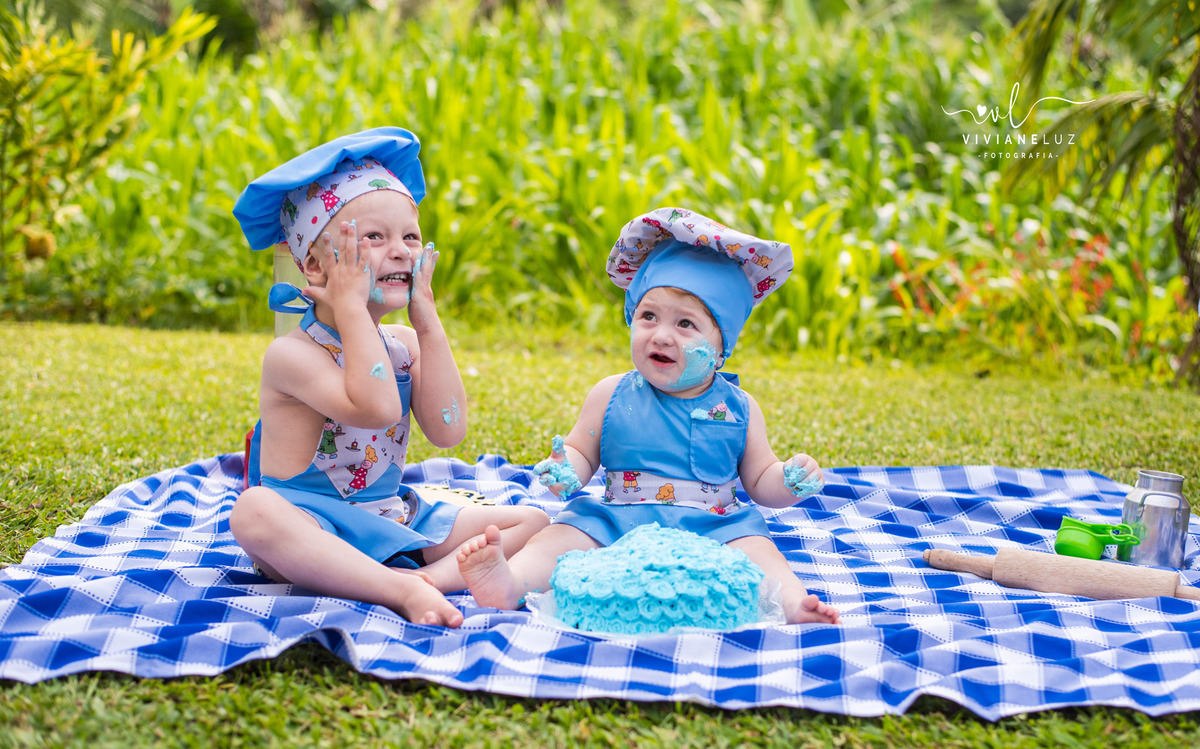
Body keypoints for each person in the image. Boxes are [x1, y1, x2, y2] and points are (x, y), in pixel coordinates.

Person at [457, 207, 840, 625]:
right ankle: (509, 582)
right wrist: (565, 466)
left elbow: (760, 478)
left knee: (760, 553)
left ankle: (792, 604)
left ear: (721, 346)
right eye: (648, 316)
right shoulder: (611, 393)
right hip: (619, 517)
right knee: (560, 537)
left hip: (715, 526)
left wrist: (787, 481)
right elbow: (581, 452)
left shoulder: (740, 408)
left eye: (686, 324)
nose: (660, 334)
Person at [229, 128, 548, 628]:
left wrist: (428, 322)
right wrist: (351, 307)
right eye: (373, 238)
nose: (400, 251)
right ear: (312, 265)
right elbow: (376, 406)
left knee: (532, 520)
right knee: (252, 512)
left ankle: (430, 581)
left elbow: (448, 429)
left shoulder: (405, 342)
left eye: (411, 237)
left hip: (389, 515)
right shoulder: (292, 354)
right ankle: (397, 588)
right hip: (312, 524)